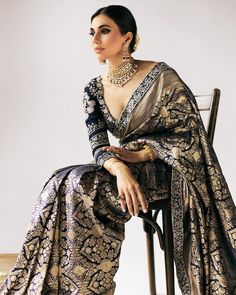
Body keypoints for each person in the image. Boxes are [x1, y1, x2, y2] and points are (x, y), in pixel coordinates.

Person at [1, 4, 236, 295]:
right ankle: (66, 286)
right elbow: (98, 144)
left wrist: (142, 153)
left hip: (168, 171)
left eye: (104, 30)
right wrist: (121, 168)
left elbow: (190, 136)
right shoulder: (93, 90)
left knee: (89, 185)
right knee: (63, 180)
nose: (95, 39)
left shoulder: (162, 76)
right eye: (91, 32)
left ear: (126, 37)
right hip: (122, 170)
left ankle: (89, 287)